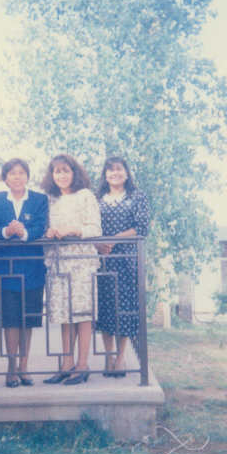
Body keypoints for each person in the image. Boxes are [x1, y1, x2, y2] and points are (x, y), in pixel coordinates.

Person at [0, 159, 49, 388]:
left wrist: (23, 232)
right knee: (10, 319)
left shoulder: (39, 199)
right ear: (5, 178)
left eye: (21, 173)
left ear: (27, 176)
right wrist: (6, 231)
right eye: (12, 173)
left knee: (28, 319)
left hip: (32, 267)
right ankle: (11, 367)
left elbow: (41, 226)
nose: (17, 177)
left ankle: (24, 366)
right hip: (4, 267)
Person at [41, 154, 101, 386]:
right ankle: (66, 364)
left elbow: (95, 228)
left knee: (82, 313)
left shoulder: (85, 196)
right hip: (59, 262)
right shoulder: (50, 199)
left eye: (66, 171)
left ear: (74, 173)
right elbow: (46, 228)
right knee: (64, 314)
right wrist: (50, 233)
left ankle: (82, 365)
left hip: (82, 261)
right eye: (57, 171)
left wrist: (72, 230)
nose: (61, 175)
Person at [95, 156, 150, 378]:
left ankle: (121, 357)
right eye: (110, 170)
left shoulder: (137, 197)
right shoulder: (97, 198)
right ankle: (108, 356)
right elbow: (90, 224)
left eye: (118, 170)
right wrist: (99, 243)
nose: (114, 174)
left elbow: (142, 228)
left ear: (126, 173)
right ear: (105, 175)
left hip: (126, 259)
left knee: (124, 309)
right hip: (103, 259)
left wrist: (115, 238)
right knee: (105, 308)